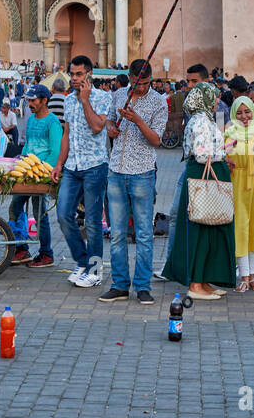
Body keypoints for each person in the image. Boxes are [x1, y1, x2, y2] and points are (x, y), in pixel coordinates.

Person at [99, 59, 167, 304]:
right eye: (137, 83)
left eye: (146, 83)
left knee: (144, 234)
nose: (141, 88)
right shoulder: (118, 95)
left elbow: (156, 140)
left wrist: (137, 119)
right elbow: (108, 120)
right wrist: (110, 128)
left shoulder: (159, 102)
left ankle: (142, 286)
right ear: (129, 76)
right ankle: (119, 284)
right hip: (116, 169)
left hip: (142, 172)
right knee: (117, 234)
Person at [161, 82, 236, 299]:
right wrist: (223, 152)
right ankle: (195, 285)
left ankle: (203, 281)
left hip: (203, 176)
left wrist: (222, 149)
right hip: (204, 178)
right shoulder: (202, 121)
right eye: (213, 98)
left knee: (208, 229)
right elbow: (203, 155)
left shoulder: (201, 119)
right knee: (201, 230)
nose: (216, 103)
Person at [53, 56, 110, 290]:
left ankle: (95, 270)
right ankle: (82, 261)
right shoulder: (68, 101)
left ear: (89, 74)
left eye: (79, 74)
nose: (75, 79)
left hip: (95, 167)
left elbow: (98, 127)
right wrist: (59, 163)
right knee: (64, 214)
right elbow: (66, 134)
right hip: (72, 167)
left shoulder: (103, 97)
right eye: (72, 74)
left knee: (94, 222)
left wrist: (85, 101)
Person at [9, 84, 62, 268]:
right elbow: (27, 144)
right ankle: (21, 249)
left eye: (33, 100)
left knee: (40, 214)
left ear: (44, 100)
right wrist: (21, 159)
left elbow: (55, 152)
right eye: (29, 100)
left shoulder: (53, 122)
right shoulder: (31, 119)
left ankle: (46, 253)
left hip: (41, 175)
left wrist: (41, 169)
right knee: (15, 208)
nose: (30, 103)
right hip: (26, 174)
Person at [224, 94, 254, 292]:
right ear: (234, 114)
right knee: (240, 229)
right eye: (240, 112)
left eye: (247, 111)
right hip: (237, 185)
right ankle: (243, 276)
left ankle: (253, 277)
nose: (244, 116)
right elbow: (221, 156)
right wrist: (227, 157)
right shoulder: (229, 134)